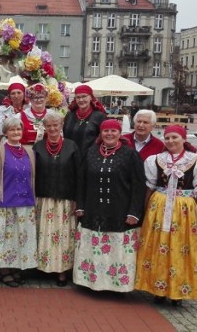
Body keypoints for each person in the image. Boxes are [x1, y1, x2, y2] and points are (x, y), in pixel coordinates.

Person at [135, 125, 197, 306]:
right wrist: (145, 211)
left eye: (174, 137)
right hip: (159, 206)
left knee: (181, 247)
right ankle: (158, 289)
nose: (170, 141)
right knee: (158, 246)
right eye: (167, 138)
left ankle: (178, 290)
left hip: (184, 210)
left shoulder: (196, 161)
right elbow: (150, 187)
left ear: (184, 139)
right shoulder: (156, 160)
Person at [73, 119, 145, 292]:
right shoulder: (90, 153)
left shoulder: (130, 155)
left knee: (116, 250)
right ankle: (91, 282)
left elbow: (138, 185)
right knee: (94, 249)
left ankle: (116, 286)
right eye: (106, 131)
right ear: (101, 134)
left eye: (113, 131)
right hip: (93, 210)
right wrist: (80, 206)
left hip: (119, 211)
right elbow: (81, 181)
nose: (109, 134)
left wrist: (134, 212)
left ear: (120, 134)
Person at [0, 117, 38, 287]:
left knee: (20, 238)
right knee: (5, 239)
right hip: (4, 203)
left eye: (18, 129)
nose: (16, 132)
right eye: (12, 129)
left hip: (25, 203)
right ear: (6, 132)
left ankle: (16, 267)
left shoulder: (30, 151)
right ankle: (4, 270)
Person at [33, 111, 79, 286]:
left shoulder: (72, 146)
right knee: (44, 233)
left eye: (56, 125)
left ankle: (61, 271)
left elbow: (78, 174)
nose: (52, 129)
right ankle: (42, 267)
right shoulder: (38, 147)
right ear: (44, 127)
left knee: (62, 237)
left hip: (65, 201)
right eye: (49, 126)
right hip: (43, 199)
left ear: (61, 127)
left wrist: (77, 199)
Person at [63, 85, 107, 158]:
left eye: (84, 96)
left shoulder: (99, 116)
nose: (81, 100)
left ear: (91, 97)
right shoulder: (69, 115)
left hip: (90, 158)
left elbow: (103, 139)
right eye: (78, 97)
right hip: (70, 157)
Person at [0, 81, 28, 147]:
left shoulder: (29, 109)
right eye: (13, 93)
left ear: (24, 94)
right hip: (7, 146)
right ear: (9, 96)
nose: (16, 96)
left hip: (26, 146)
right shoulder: (3, 111)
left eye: (19, 93)